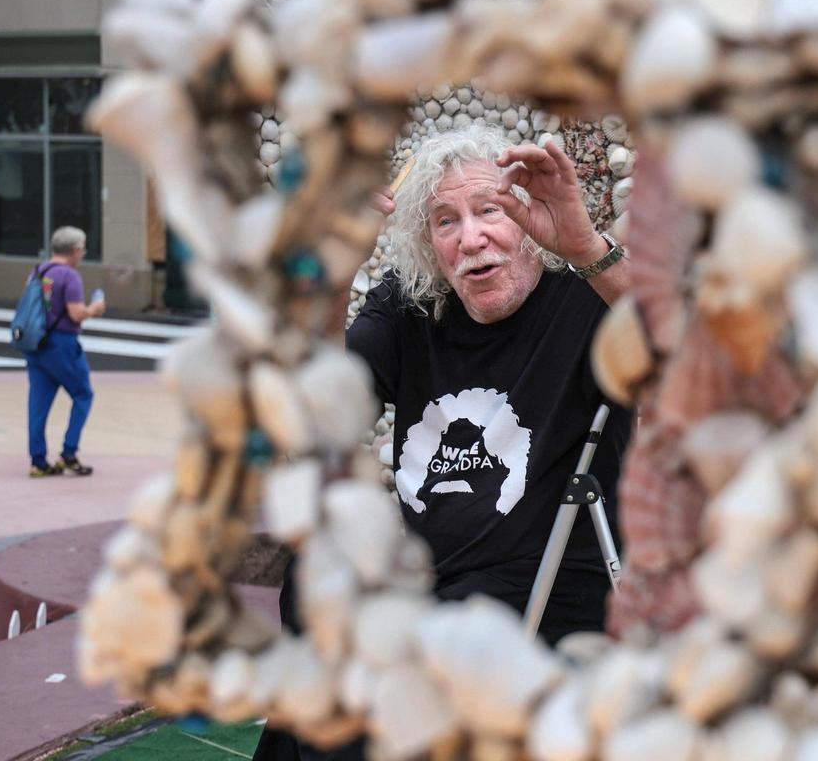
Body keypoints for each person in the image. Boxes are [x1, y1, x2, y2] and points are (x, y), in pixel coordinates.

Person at [254, 126, 632, 761]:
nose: (471, 238)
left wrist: (586, 246)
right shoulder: (410, 307)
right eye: (445, 221)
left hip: (546, 588)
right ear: (427, 242)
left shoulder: (588, 301)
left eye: (490, 210)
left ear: (528, 220)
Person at [24, 226, 106, 477]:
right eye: (82, 249)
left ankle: (38, 460)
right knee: (83, 394)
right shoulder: (70, 276)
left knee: (38, 402)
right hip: (62, 343)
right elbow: (76, 313)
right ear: (75, 250)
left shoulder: (38, 271)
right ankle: (69, 453)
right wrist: (95, 308)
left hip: (35, 342)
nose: (83, 254)